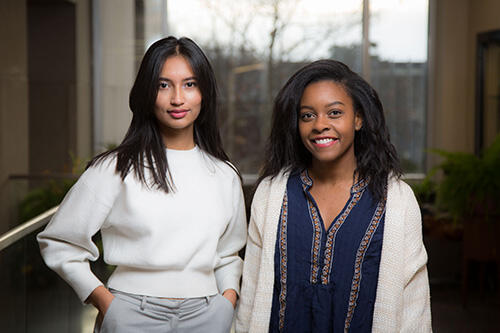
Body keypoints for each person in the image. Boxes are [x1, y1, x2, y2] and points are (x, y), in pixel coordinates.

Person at [37, 36, 247, 333]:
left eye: (190, 84)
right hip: (131, 313)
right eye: (163, 85)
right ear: (147, 93)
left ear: (205, 93)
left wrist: (227, 301)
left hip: (208, 314)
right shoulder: (114, 169)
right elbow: (60, 242)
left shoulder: (224, 174)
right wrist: (107, 305)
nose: (177, 98)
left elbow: (228, 254)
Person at [236, 60, 431, 332]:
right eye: (307, 115)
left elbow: (414, 307)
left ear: (358, 118)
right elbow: (251, 296)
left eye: (335, 112)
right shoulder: (271, 195)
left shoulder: (397, 200)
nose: (320, 125)